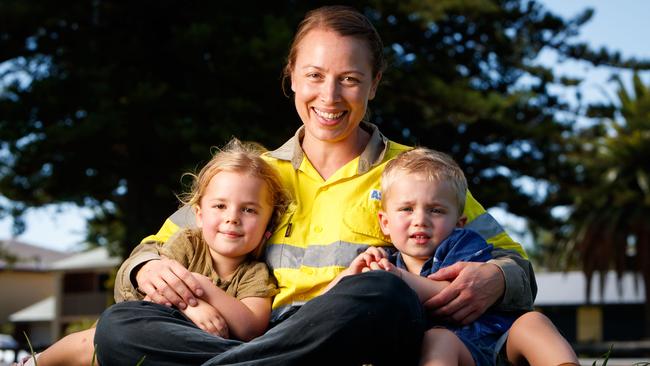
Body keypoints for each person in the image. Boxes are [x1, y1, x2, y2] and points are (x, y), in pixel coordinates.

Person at [94, 5, 537, 365]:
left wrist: (497, 278)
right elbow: (143, 258)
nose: (329, 97)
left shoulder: (415, 173)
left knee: (385, 291)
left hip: (362, 334)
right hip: (267, 335)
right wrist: (145, 270)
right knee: (120, 325)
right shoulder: (253, 176)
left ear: (374, 84)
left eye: (349, 79)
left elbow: (516, 266)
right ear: (290, 76)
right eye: (314, 75)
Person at [16, 138, 287, 366]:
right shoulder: (187, 244)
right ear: (199, 215)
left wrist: (204, 287)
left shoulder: (255, 272)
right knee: (91, 339)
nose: (232, 218)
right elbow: (153, 297)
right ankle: (35, 362)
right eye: (220, 206)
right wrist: (196, 307)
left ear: (267, 226)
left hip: (175, 352)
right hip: (145, 331)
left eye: (249, 210)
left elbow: (251, 327)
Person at [328, 147, 579, 365]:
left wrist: (396, 279)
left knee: (533, 321)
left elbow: (455, 291)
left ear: (459, 223)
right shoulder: (388, 263)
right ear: (384, 222)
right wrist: (356, 274)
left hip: (498, 341)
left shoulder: (460, 244)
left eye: (435, 210)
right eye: (406, 209)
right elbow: (340, 305)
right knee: (439, 339)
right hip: (456, 353)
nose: (420, 221)